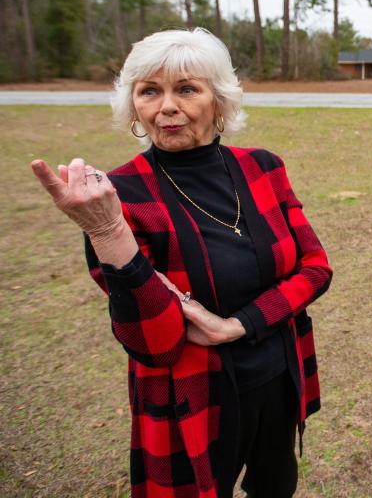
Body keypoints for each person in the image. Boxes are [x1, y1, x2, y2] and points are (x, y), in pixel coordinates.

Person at [31, 28, 333, 497]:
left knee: (275, 486)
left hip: (278, 376)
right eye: (150, 91)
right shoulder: (116, 197)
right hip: (192, 395)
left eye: (187, 89)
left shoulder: (263, 167)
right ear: (134, 106)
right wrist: (108, 232)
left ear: (219, 101)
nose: (166, 106)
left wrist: (239, 324)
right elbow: (155, 342)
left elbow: (314, 268)